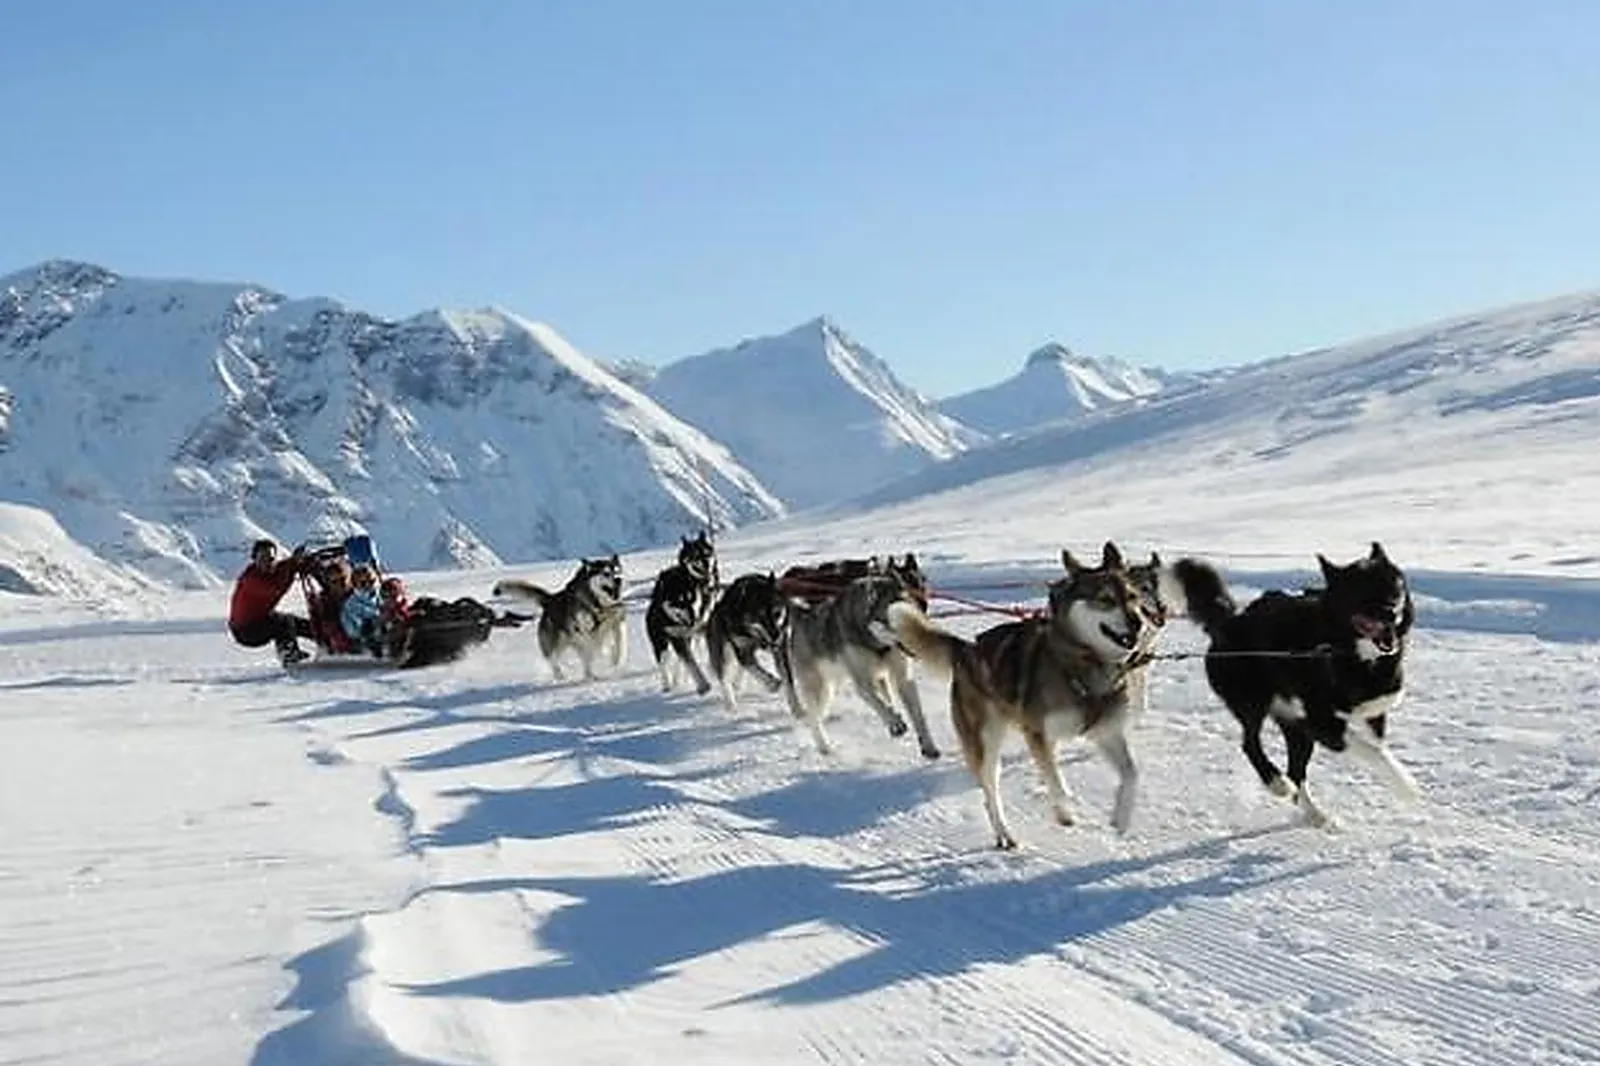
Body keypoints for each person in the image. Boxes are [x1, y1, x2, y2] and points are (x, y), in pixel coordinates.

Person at [228, 539, 313, 665]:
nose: (267, 562)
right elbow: (276, 587)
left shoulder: (271, 571)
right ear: (254, 559)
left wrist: (295, 562)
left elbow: (283, 567)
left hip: (261, 618)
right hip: (245, 631)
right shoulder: (251, 579)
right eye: (262, 558)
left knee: (300, 624)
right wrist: (293, 564)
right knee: (283, 623)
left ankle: (329, 644)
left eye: (271, 559)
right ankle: (288, 654)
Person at [340, 564, 384, 656]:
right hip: (357, 629)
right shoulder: (352, 602)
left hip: (378, 622)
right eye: (363, 583)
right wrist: (379, 615)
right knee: (369, 625)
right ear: (355, 585)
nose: (368, 585)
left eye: (372, 581)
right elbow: (361, 614)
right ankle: (374, 647)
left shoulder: (378, 594)